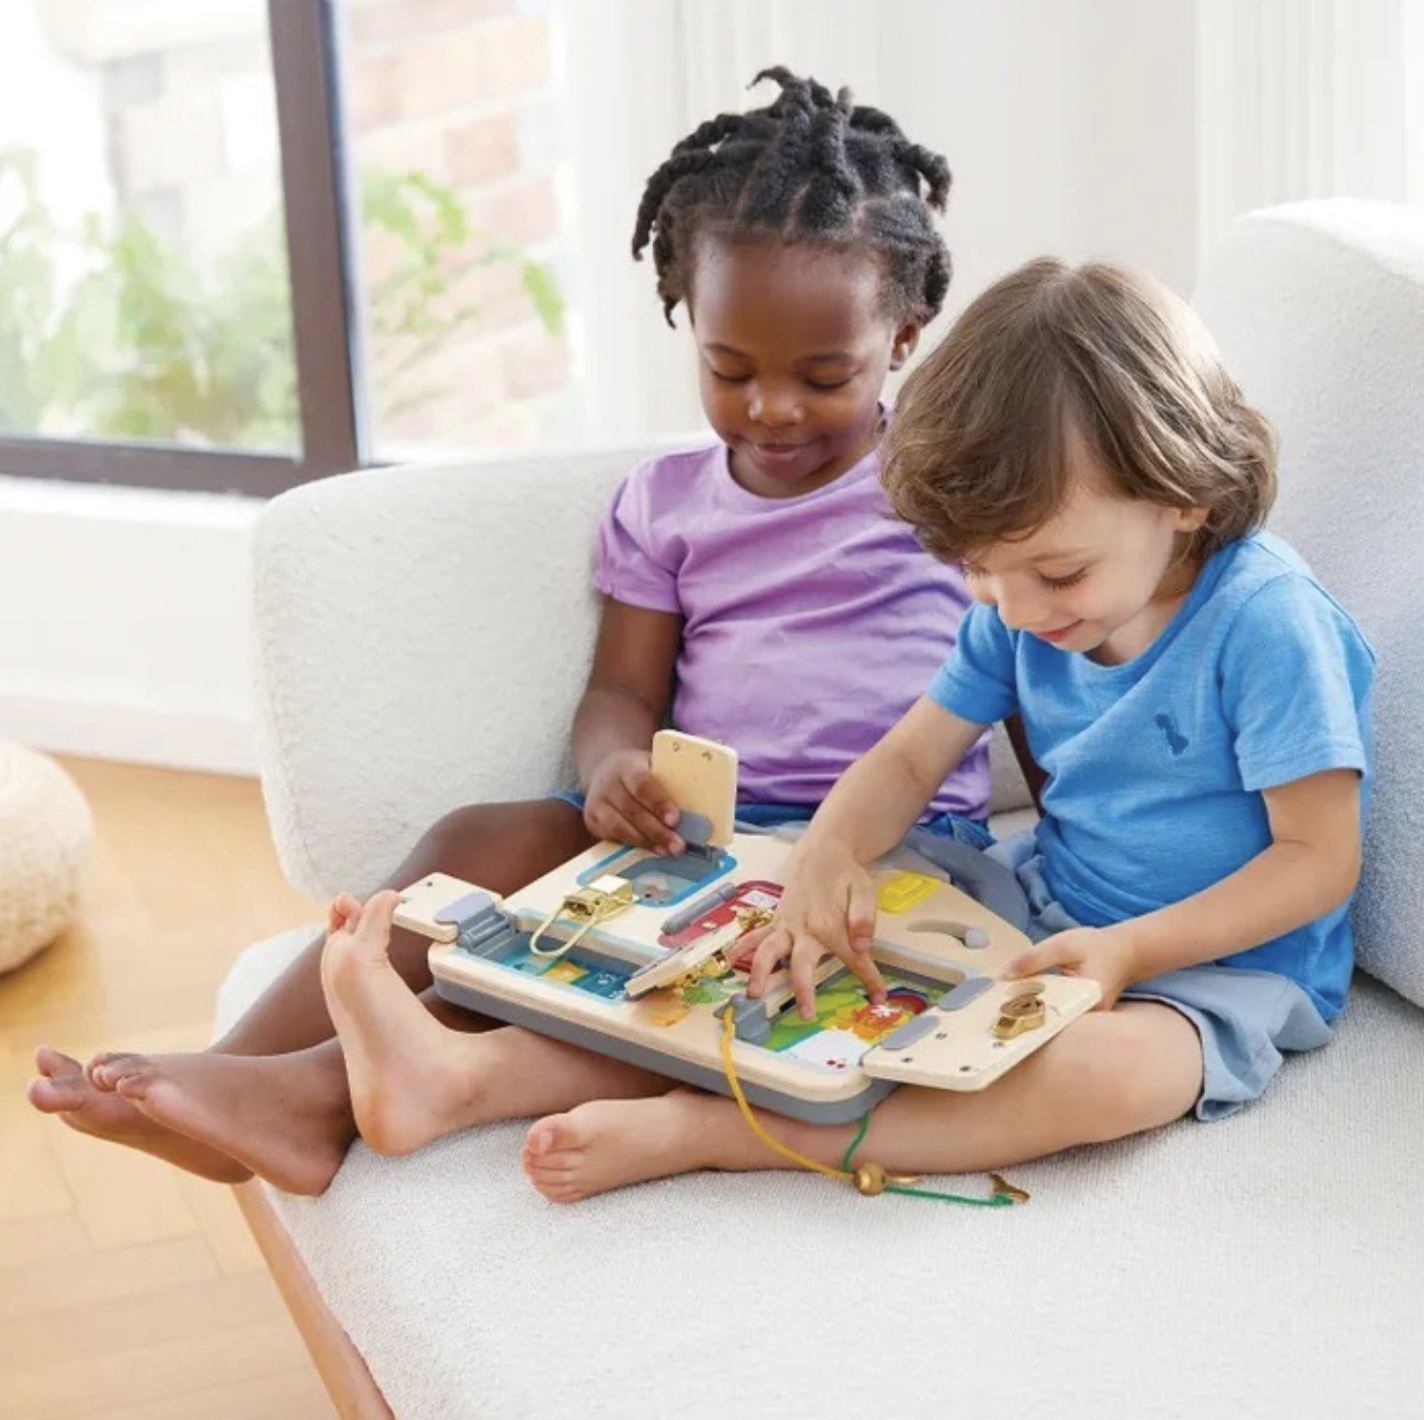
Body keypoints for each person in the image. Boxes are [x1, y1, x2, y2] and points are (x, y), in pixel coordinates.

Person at [30, 69, 994, 1196]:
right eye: (729, 370)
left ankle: (313, 1098)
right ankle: (234, 1073)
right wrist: (613, 767)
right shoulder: (665, 505)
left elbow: (1038, 653)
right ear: (687, 321)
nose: (771, 408)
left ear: (904, 337)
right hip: (700, 836)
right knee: (488, 836)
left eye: (823, 377)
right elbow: (620, 693)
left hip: (884, 857)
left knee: (646, 973)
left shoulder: (944, 488)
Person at [507, 256, 1374, 1203]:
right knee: (790, 931)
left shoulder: (1267, 621)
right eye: (978, 571)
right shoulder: (1021, 607)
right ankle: (480, 1073)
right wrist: (828, 854)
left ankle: (720, 1133)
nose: (1013, 608)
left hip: (1218, 969)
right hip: (1038, 907)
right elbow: (911, 755)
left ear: (1184, 495)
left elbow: (1319, 860)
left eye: (1058, 573)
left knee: (1114, 1077)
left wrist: (1133, 951)